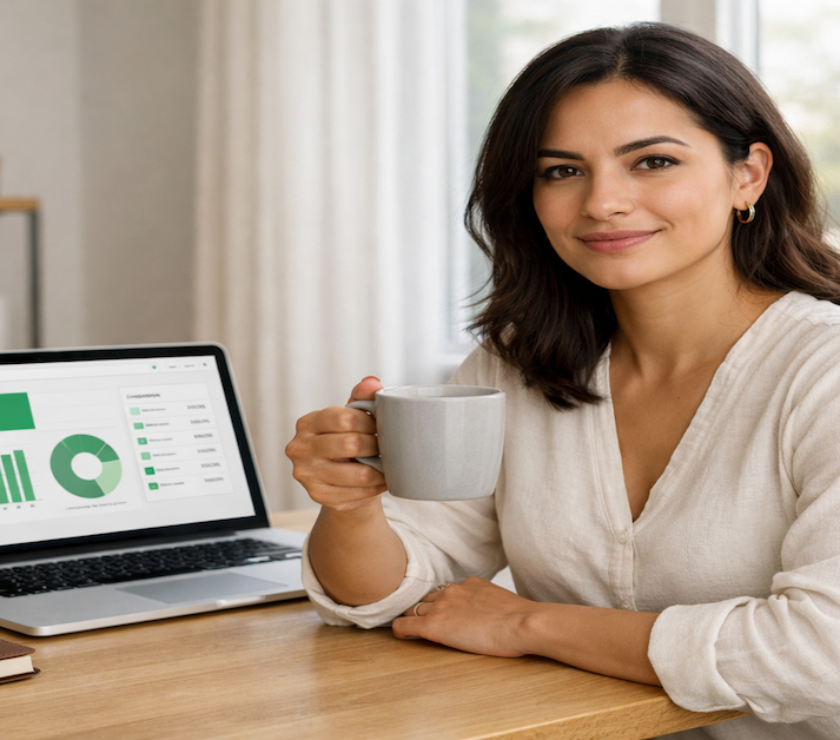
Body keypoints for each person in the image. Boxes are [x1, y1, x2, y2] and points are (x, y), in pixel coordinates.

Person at [285, 22, 840, 738]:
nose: (602, 202)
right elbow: (392, 595)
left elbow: (822, 654)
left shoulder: (822, 370)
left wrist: (529, 624)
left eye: (653, 162)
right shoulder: (516, 364)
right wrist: (351, 504)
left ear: (748, 175)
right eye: (561, 171)